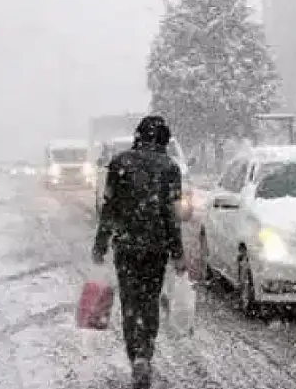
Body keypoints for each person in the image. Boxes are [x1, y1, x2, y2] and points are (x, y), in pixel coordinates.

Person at [92, 115, 185, 389]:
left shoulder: (120, 164)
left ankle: (136, 357)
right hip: (156, 248)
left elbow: (109, 209)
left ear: (139, 136)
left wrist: (101, 244)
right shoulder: (170, 168)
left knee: (130, 303)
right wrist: (177, 252)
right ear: (164, 139)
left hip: (127, 246)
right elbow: (172, 216)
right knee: (150, 301)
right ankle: (146, 351)